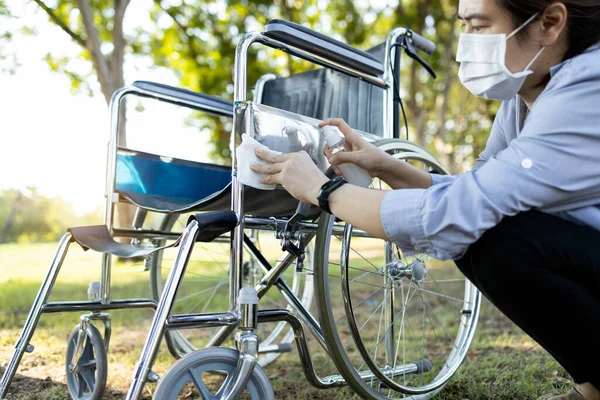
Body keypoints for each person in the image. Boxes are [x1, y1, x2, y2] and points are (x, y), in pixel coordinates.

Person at [251, 0, 600, 398]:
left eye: (480, 26)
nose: (466, 44)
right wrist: (386, 166)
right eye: (463, 25)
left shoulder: (588, 90)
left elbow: (462, 212)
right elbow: (480, 189)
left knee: (496, 241)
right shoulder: (523, 96)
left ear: (550, 23)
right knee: (490, 234)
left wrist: (323, 191)